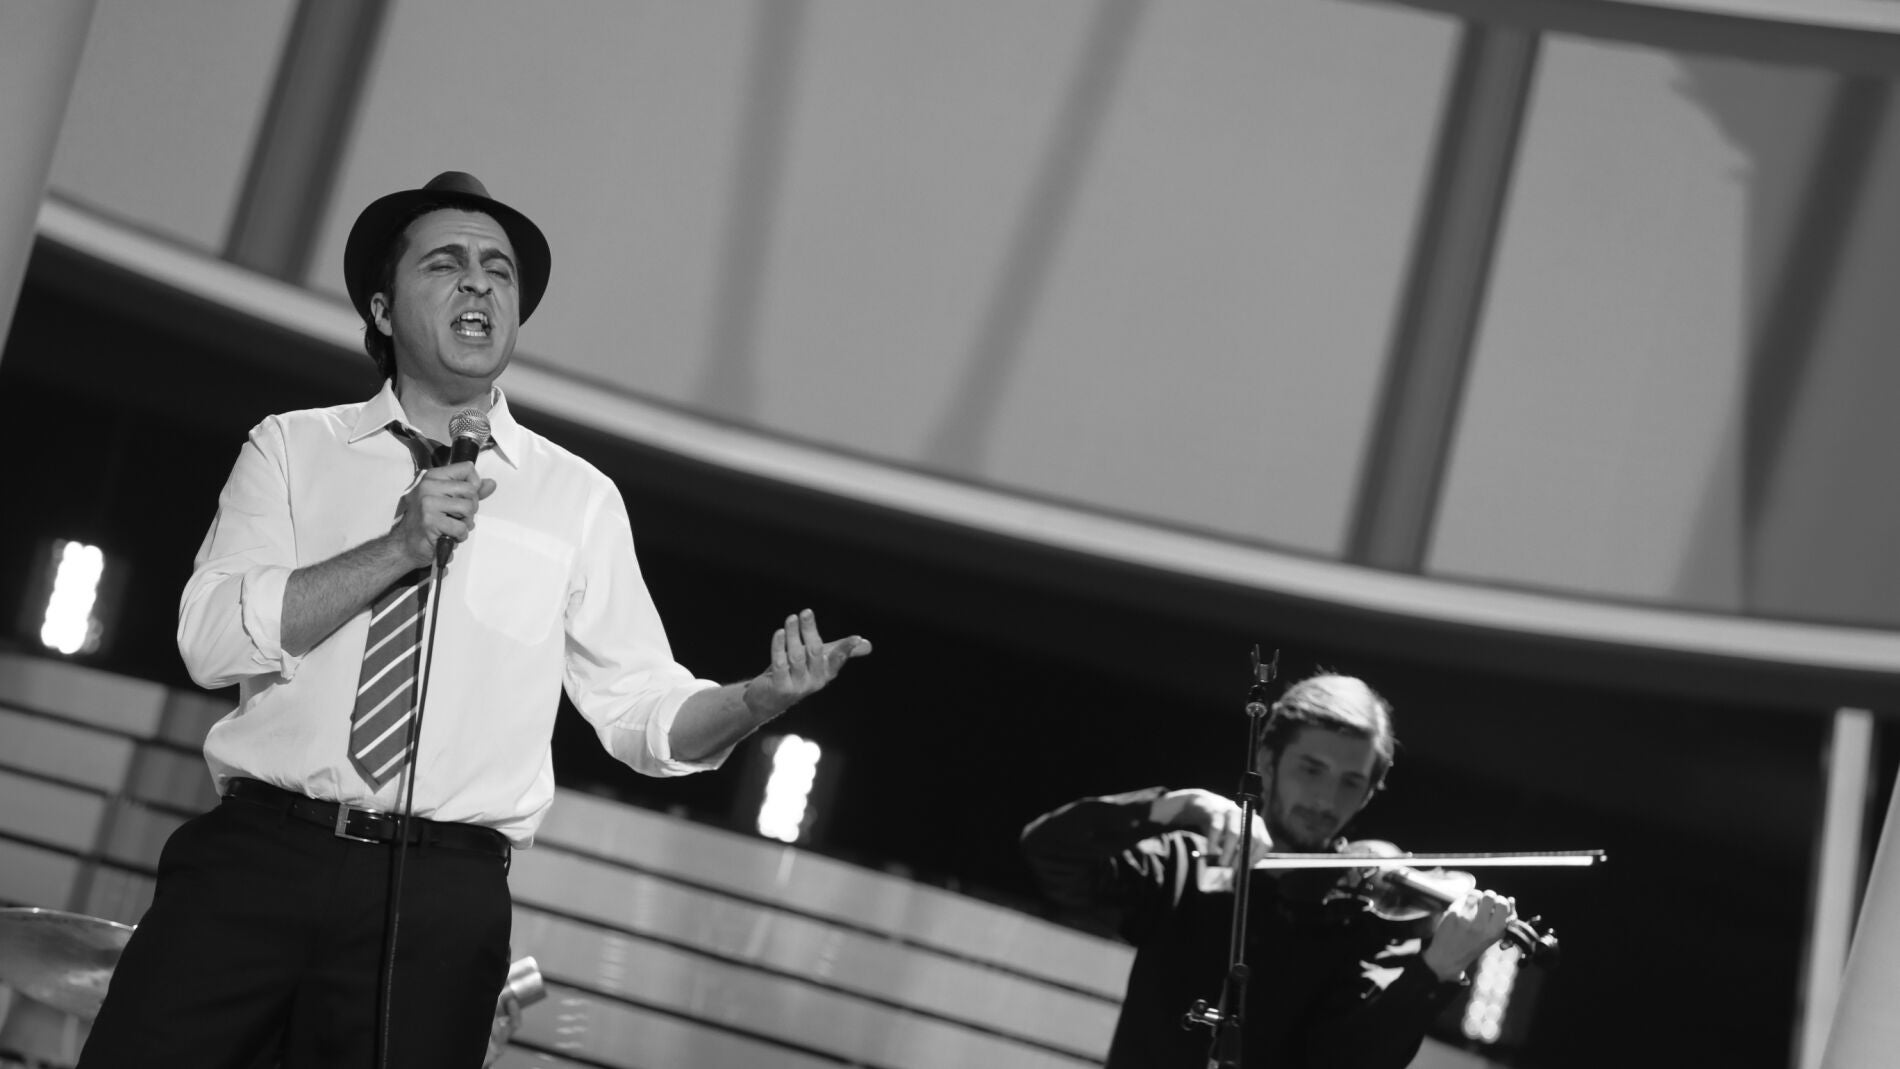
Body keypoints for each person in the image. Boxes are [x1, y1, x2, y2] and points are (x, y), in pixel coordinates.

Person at [77, 171, 870, 1069]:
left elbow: (641, 711)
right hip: (258, 858)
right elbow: (211, 638)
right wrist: (397, 547)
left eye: (499, 271)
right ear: (382, 310)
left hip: (440, 896)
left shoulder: (575, 497)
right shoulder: (293, 448)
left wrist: (753, 701)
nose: (479, 284)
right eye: (446, 263)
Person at [1020, 674, 1512, 1069]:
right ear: (1267, 759)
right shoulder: (1188, 864)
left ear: (1368, 793)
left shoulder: (1373, 913)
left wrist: (1435, 971)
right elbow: (1051, 853)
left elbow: (1348, 1061)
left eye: (1350, 782)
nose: (1326, 800)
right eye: (1311, 769)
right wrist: (1177, 807)